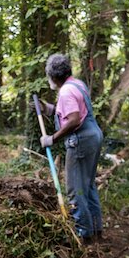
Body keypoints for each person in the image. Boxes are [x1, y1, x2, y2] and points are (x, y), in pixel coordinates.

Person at [39, 53, 104, 242]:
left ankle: (84, 235)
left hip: (81, 141)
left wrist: (52, 138)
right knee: (88, 186)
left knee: (75, 189)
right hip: (93, 136)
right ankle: (96, 231)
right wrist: (48, 109)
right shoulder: (77, 84)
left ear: (53, 76)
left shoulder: (66, 91)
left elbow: (74, 119)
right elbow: (72, 111)